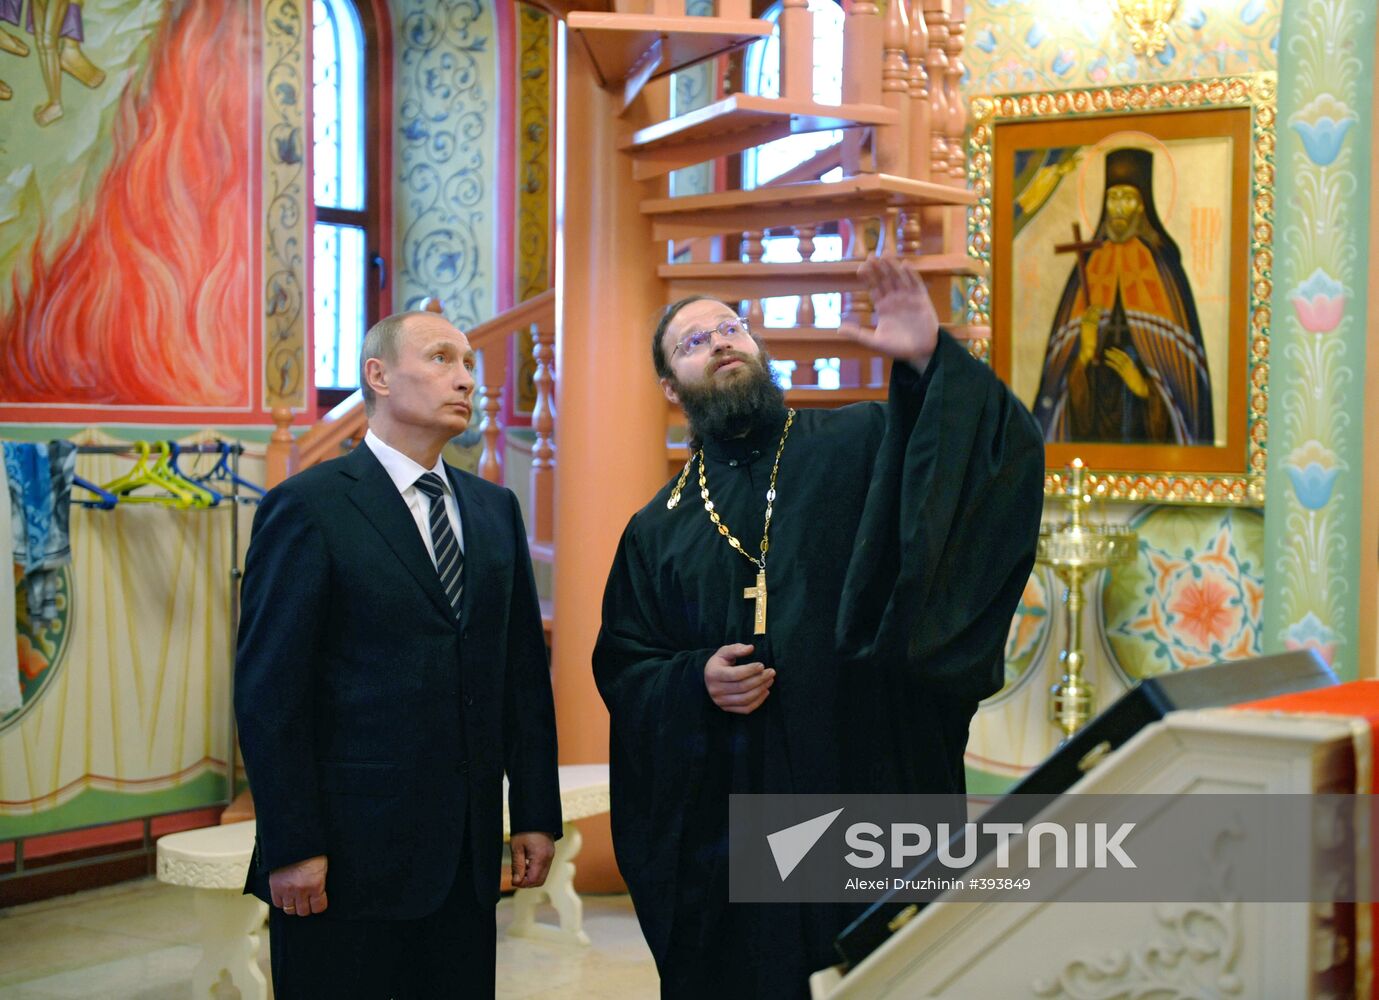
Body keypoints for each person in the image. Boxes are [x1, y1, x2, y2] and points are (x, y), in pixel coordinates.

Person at [594, 256, 1046, 998]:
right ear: (672, 390)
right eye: (694, 341)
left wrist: (932, 361)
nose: (720, 341)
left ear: (759, 348)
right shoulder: (655, 528)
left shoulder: (859, 441)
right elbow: (624, 663)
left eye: (730, 327)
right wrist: (691, 679)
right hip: (731, 818)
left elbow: (974, 471)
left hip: (860, 777)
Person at [234, 310, 562, 999]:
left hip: (466, 859)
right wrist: (293, 844)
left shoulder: (494, 507)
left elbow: (521, 679)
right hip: (349, 857)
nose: (465, 379)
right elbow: (271, 694)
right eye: (442, 358)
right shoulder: (309, 506)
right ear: (377, 376)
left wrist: (533, 809)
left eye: (469, 363)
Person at [1033, 147, 1214, 445]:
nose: (1118, 208)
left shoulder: (1162, 266)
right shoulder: (1090, 263)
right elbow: (1059, 378)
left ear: (1143, 206)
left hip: (1143, 417)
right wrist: (1085, 351)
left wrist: (1144, 388)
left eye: (1127, 198)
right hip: (1090, 413)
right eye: (1112, 198)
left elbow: (1182, 379)